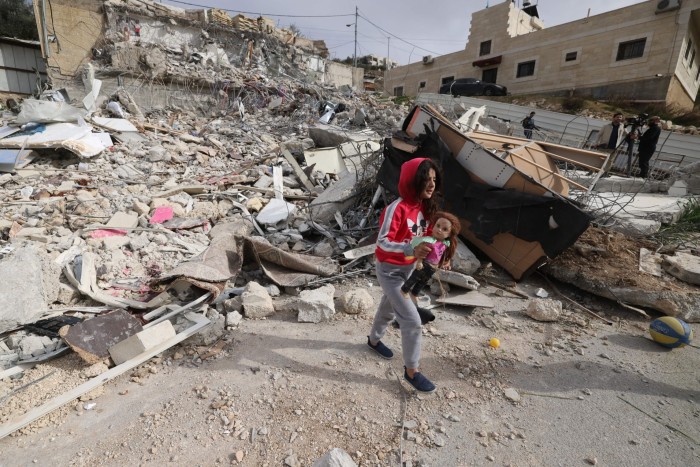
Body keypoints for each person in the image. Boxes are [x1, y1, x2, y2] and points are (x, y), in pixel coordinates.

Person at [367, 157, 441, 393]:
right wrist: (410, 248)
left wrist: (440, 254)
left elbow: (428, 240)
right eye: (425, 179)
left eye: (434, 180)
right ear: (412, 180)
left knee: (388, 307)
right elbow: (381, 245)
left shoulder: (426, 209)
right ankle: (412, 371)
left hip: (409, 271)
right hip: (389, 272)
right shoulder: (395, 208)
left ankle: (373, 341)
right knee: (411, 320)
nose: (431, 185)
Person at [401, 211, 460, 300]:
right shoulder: (429, 241)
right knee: (414, 278)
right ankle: (404, 290)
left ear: (449, 234)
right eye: (438, 226)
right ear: (433, 225)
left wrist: (445, 263)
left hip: (433, 267)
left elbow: (442, 255)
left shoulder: (445, 244)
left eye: (445, 229)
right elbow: (422, 253)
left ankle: (414, 293)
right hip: (425, 264)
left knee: (423, 282)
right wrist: (419, 262)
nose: (439, 230)